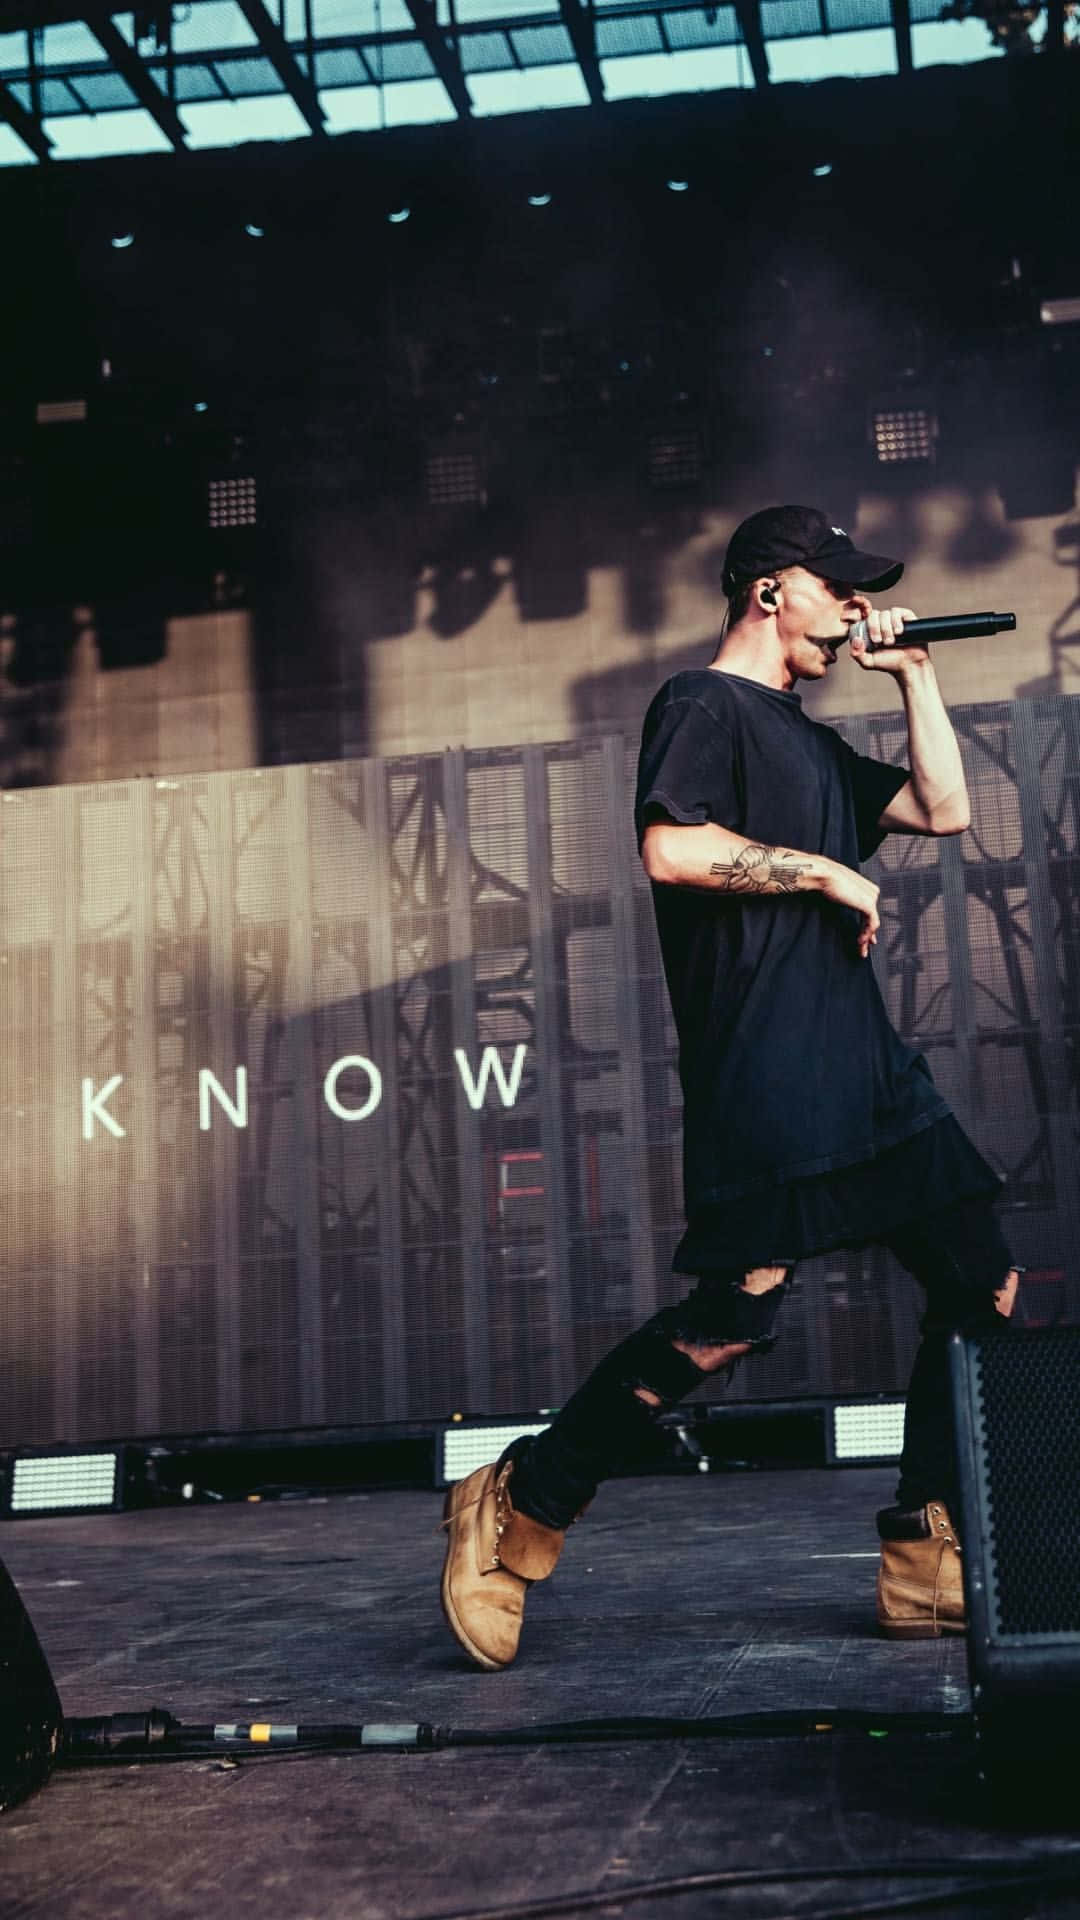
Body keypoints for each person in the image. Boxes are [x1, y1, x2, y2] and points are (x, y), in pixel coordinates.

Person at [440, 504, 1019, 1671]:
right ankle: (519, 1506)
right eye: (838, 590)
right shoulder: (702, 706)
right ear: (769, 591)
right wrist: (825, 876)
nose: (855, 609)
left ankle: (926, 1545)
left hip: (866, 1070)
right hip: (768, 1070)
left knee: (982, 1279)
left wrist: (912, 679)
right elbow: (673, 848)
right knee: (727, 1323)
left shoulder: (807, 740)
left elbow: (944, 809)